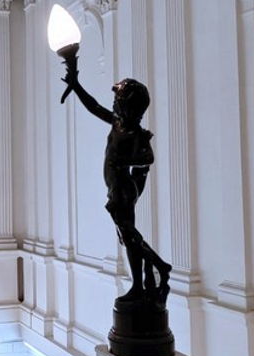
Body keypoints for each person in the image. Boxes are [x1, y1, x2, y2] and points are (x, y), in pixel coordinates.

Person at [62, 70, 172, 303]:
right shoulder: (117, 122)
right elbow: (94, 107)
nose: (113, 103)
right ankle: (145, 280)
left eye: (117, 100)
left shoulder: (135, 132)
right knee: (128, 237)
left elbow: (148, 158)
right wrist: (76, 85)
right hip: (116, 188)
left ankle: (157, 269)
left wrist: (122, 161)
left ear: (128, 106)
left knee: (129, 236)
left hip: (123, 189)